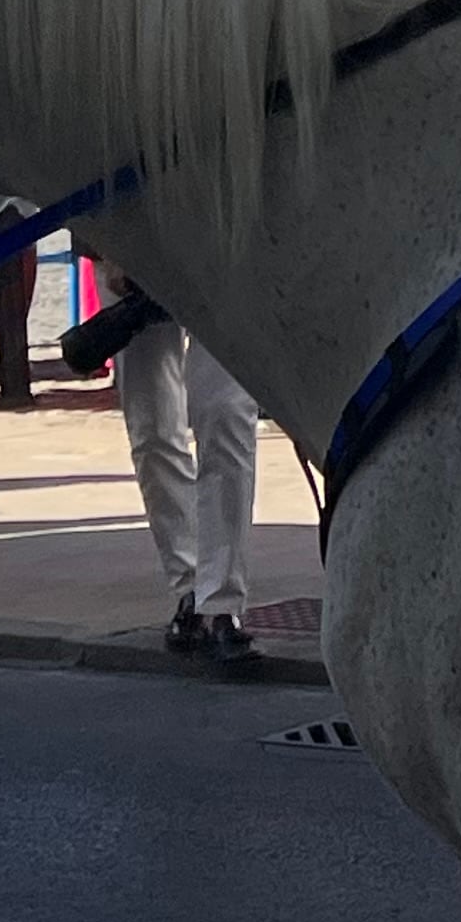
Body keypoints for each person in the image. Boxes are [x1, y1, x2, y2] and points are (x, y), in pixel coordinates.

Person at [90, 254, 263, 665]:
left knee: (226, 414)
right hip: (132, 238)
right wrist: (109, 246)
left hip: (218, 246)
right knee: (153, 426)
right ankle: (189, 585)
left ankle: (221, 600)